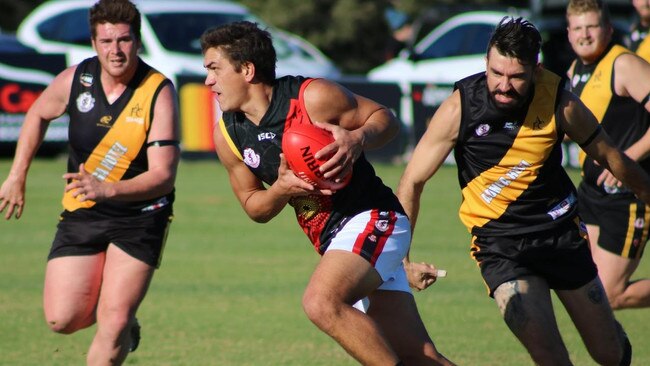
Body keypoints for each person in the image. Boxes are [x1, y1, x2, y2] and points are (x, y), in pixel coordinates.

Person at [396, 16, 650, 365]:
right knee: (549, 354)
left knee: (610, 352)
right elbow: (412, 181)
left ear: (536, 70)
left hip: (561, 236)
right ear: (486, 62)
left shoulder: (561, 102)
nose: (503, 85)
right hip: (501, 246)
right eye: (496, 73)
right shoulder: (459, 108)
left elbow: (610, 156)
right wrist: (402, 261)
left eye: (516, 77)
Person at [201, 21, 453, 366]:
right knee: (419, 357)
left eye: (214, 69)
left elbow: (386, 118)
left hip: (375, 218)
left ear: (246, 70)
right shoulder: (227, 135)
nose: (208, 81)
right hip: (338, 245)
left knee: (321, 303)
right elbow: (253, 206)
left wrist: (358, 138)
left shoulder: (311, 98)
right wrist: (280, 189)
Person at [0, 0, 179, 364]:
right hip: (84, 211)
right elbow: (36, 114)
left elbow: (163, 176)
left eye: (124, 40)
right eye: (107, 41)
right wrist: (17, 176)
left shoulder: (159, 92)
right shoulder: (75, 79)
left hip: (141, 217)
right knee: (61, 319)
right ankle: (125, 320)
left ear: (138, 41)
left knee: (112, 322)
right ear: (94, 43)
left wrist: (109, 188)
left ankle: (120, 321)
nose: (116, 50)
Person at [566, 0, 650, 311]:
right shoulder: (576, 70)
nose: (584, 35)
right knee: (591, 291)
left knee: (610, 294)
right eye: (578, 28)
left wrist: (625, 160)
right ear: (568, 32)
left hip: (628, 196)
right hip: (592, 194)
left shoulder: (624, 64)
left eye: (591, 26)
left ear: (609, 29)